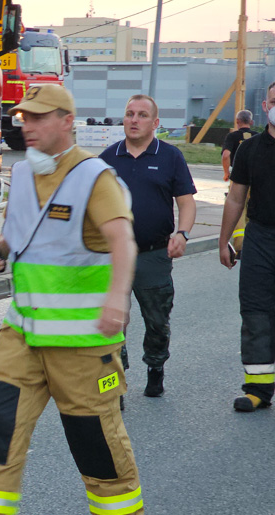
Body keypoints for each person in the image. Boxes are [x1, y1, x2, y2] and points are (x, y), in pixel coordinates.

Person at [0, 84, 143, 515]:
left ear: (67, 121)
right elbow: (19, 233)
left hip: (83, 340)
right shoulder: (25, 173)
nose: (25, 125)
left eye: (38, 117)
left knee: (94, 435)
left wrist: (117, 300)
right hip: (23, 331)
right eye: (23, 117)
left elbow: (122, 241)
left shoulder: (95, 177)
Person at [100, 95, 197, 398]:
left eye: (142, 115)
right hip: (111, 256)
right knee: (113, 323)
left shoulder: (170, 156)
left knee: (157, 321)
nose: (134, 120)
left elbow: (186, 201)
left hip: (153, 254)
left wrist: (182, 233)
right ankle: (115, 385)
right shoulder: (107, 158)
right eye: (129, 113)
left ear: (155, 123)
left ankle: (155, 367)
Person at [219, 81, 275, 413]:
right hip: (260, 238)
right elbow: (235, 198)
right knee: (255, 312)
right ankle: (258, 388)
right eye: (274, 100)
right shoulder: (250, 149)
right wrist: (224, 240)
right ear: (265, 107)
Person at [221, 110, 255, 256]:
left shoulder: (232, 136)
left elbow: (226, 155)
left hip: (239, 178)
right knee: (252, 211)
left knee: (238, 211)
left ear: (237, 122)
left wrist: (226, 172)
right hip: (256, 178)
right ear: (251, 122)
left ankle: (240, 246)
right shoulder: (257, 136)